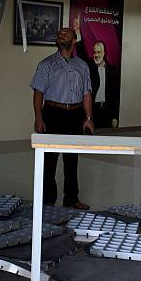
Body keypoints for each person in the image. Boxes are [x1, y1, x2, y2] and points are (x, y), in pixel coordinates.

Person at [30, 28, 93, 210]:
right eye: (59, 34)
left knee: (72, 159)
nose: (61, 35)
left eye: (65, 33)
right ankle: (48, 200)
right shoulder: (46, 64)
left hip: (75, 114)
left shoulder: (82, 66)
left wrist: (88, 118)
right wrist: (39, 118)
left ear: (75, 40)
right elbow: (38, 93)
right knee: (49, 160)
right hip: (53, 113)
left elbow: (87, 93)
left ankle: (72, 199)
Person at [73, 17, 120, 128]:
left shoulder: (111, 70)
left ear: (104, 53)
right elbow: (81, 53)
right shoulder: (90, 66)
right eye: (94, 52)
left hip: (107, 112)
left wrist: (114, 116)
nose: (96, 55)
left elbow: (114, 95)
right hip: (93, 111)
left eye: (99, 52)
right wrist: (78, 32)